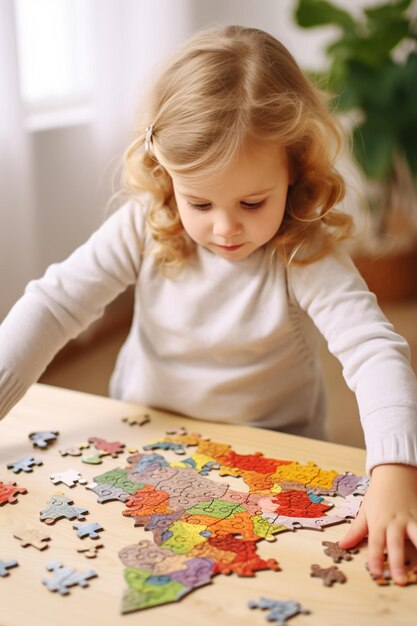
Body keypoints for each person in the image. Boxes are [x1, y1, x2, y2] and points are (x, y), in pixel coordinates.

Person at [1, 25, 417, 584]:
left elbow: (373, 350)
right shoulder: (144, 226)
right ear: (164, 174)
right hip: (146, 443)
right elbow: (52, 306)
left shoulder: (304, 249)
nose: (225, 227)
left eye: (251, 201)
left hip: (271, 458)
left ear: (293, 170)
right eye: (198, 200)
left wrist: (397, 467)